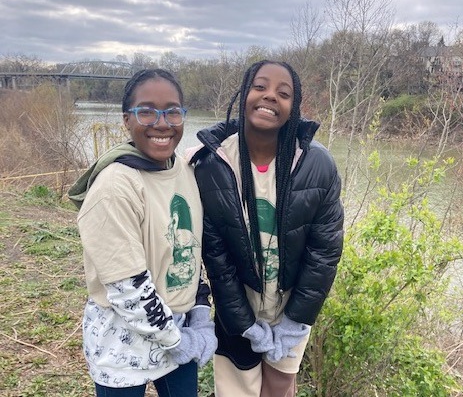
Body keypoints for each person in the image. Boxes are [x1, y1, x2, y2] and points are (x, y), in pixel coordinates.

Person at [189, 60, 344, 397]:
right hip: (236, 309)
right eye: (260, 87)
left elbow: (324, 252)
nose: (270, 96)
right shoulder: (210, 163)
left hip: (291, 306)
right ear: (244, 93)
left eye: (283, 93)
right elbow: (215, 257)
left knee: (279, 389)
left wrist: (295, 320)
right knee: (237, 391)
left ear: (294, 106)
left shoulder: (318, 165)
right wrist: (243, 323)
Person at [68, 69, 216, 397]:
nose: (162, 123)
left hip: (180, 329)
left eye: (173, 111)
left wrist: (201, 310)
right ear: (126, 120)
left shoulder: (184, 170)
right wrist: (178, 341)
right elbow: (128, 288)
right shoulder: (115, 186)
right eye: (146, 111)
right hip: (123, 345)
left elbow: (190, 249)